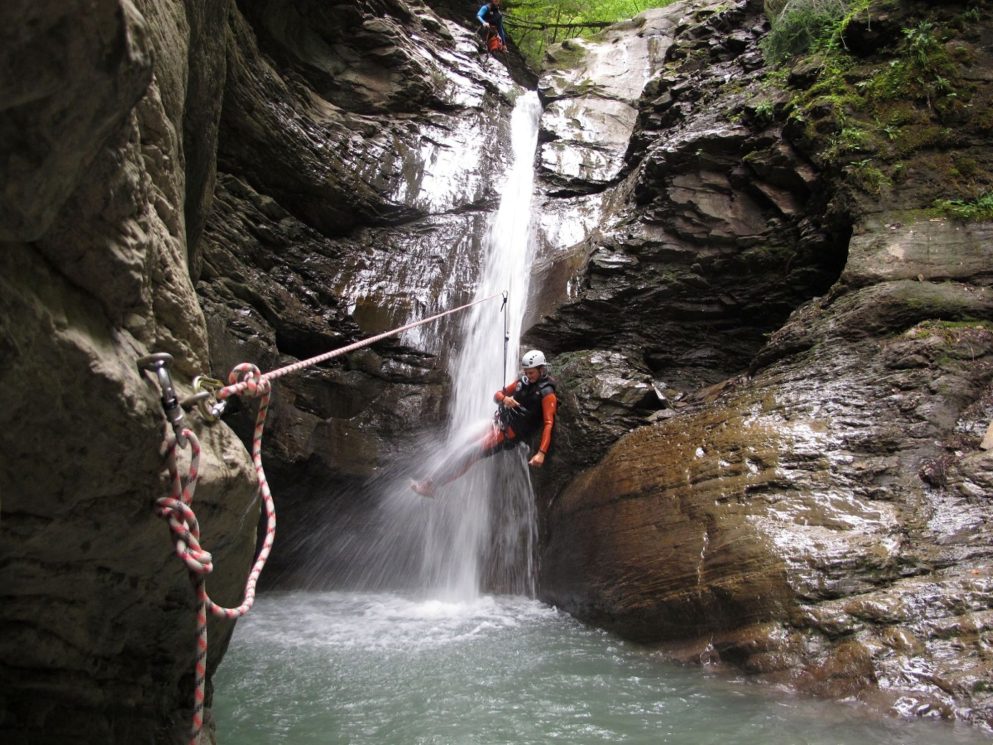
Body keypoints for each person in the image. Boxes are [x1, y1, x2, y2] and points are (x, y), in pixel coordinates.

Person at [412, 350, 557, 497]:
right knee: (462, 445)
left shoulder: (547, 392)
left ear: (541, 369)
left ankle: (432, 485)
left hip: (508, 434)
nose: (528, 375)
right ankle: (429, 480)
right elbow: (497, 395)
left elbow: (548, 423)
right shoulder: (522, 382)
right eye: (526, 372)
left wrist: (541, 453)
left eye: (531, 372)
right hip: (498, 423)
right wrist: (504, 399)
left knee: (469, 453)